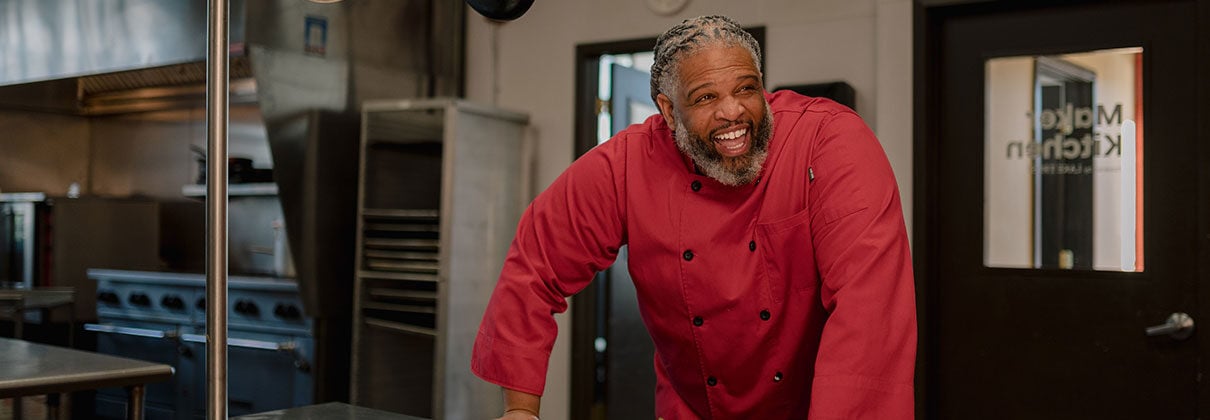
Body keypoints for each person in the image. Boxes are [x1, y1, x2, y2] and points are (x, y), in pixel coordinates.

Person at [472, 15, 916, 420]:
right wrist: (520, 411)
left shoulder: (828, 139)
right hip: (691, 409)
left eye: (745, 88)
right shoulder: (627, 166)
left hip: (812, 408)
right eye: (705, 97)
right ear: (667, 111)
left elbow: (869, 309)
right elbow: (536, 265)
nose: (732, 112)